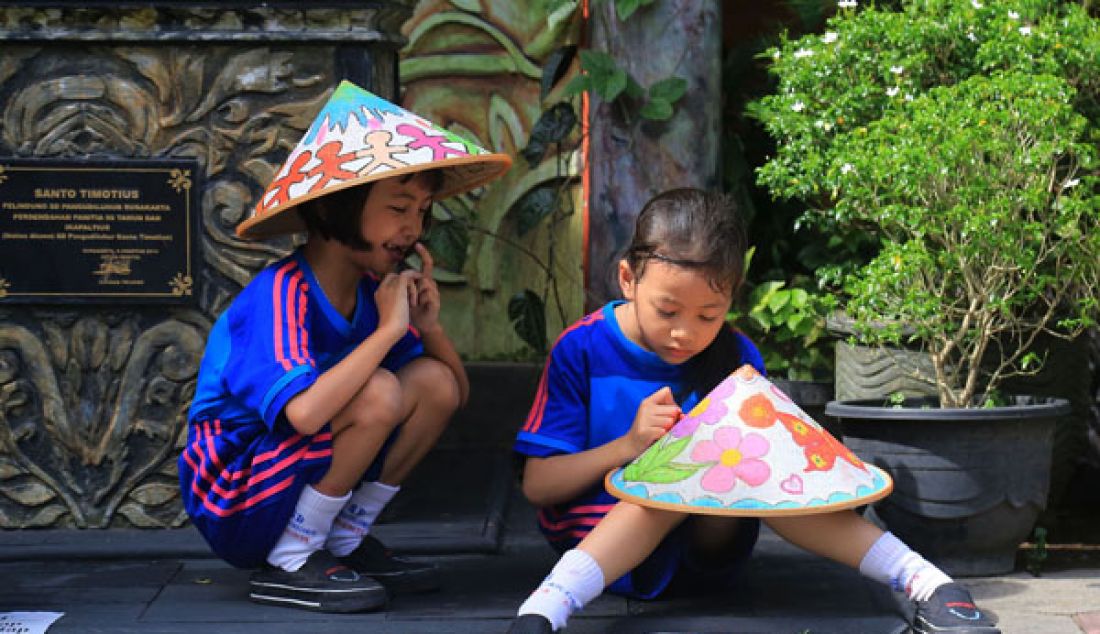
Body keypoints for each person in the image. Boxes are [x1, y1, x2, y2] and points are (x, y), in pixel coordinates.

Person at [506, 188, 1000, 634]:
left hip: (708, 551)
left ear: (730, 302)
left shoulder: (737, 358)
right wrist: (629, 448)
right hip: (598, 545)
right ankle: (545, 609)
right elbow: (539, 485)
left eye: (708, 316)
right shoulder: (582, 350)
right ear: (627, 279)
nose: (685, 333)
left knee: (766, 476)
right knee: (667, 482)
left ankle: (928, 583)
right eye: (667, 310)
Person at [178, 80, 509, 613]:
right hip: (235, 489)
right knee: (378, 389)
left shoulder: (367, 293)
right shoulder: (281, 294)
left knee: (431, 381)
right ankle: (293, 555)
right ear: (335, 209)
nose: (413, 228)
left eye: (422, 211)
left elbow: (454, 396)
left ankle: (342, 540)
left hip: (291, 473)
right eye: (398, 207)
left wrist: (428, 328)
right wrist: (384, 334)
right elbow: (305, 414)